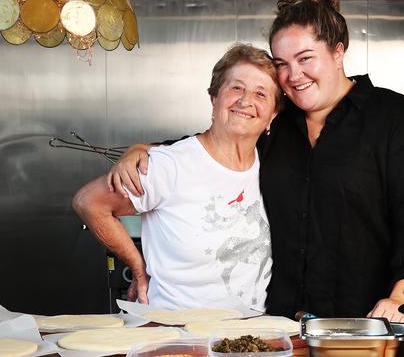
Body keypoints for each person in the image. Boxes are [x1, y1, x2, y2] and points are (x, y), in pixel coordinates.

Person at [109, 0, 404, 322]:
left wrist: (400, 295)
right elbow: (211, 145)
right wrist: (146, 148)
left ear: (338, 52)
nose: (293, 75)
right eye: (282, 64)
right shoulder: (276, 124)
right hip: (281, 323)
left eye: (305, 58)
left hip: (367, 320)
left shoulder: (392, 117)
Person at [72, 44, 282, 311]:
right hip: (177, 337)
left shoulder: (272, 168)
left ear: (272, 115)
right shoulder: (170, 165)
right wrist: (138, 267)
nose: (245, 101)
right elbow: (89, 202)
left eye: (261, 94)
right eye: (236, 88)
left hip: (248, 341)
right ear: (214, 97)